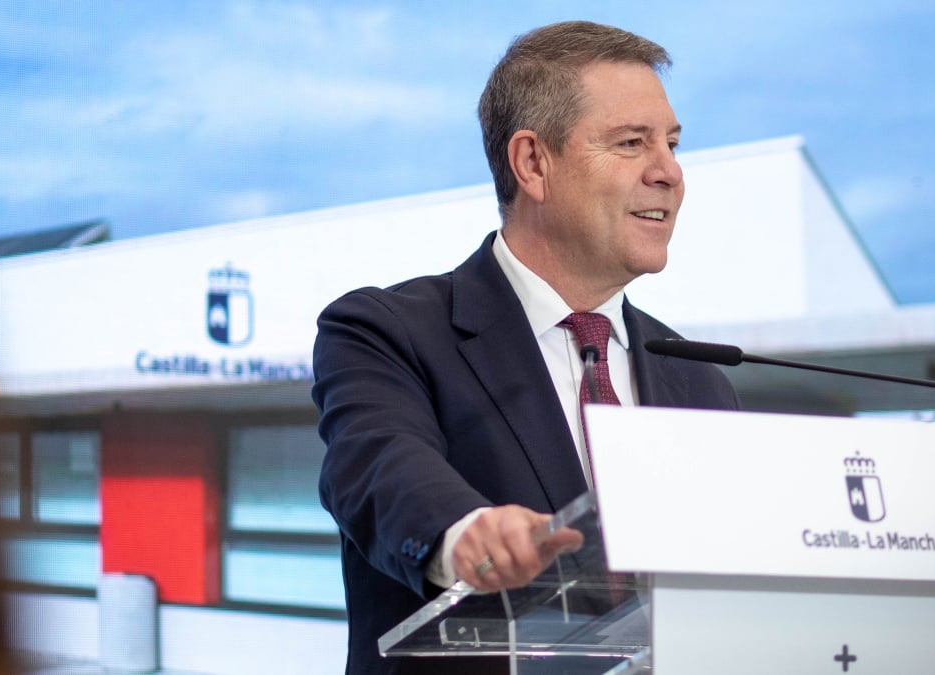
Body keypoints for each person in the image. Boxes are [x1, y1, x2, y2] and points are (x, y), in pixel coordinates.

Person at [312, 20, 739, 674]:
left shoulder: (700, 378)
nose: (670, 173)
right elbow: (378, 463)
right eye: (632, 143)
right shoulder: (387, 332)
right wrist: (464, 533)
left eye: (673, 144)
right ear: (533, 163)